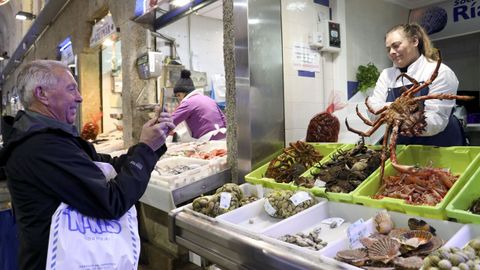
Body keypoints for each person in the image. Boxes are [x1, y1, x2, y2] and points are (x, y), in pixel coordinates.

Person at [0, 60, 175, 270]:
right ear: (42, 94)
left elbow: (109, 166)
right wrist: (146, 148)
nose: (80, 97)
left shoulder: (55, 138)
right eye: (71, 88)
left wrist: (152, 144)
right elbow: (111, 202)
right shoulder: (41, 146)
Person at [368, 23, 464, 146]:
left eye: (396, 46)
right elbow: (373, 110)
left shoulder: (439, 71)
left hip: (441, 145)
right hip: (402, 146)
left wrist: (407, 120)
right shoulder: (386, 75)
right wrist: (395, 109)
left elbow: (437, 119)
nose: (392, 52)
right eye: (388, 49)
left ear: (414, 41)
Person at [171, 70, 227, 141]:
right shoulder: (209, 99)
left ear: (185, 92)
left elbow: (171, 121)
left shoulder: (187, 102)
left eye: (178, 95)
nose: (179, 98)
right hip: (224, 137)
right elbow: (224, 119)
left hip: (208, 139)